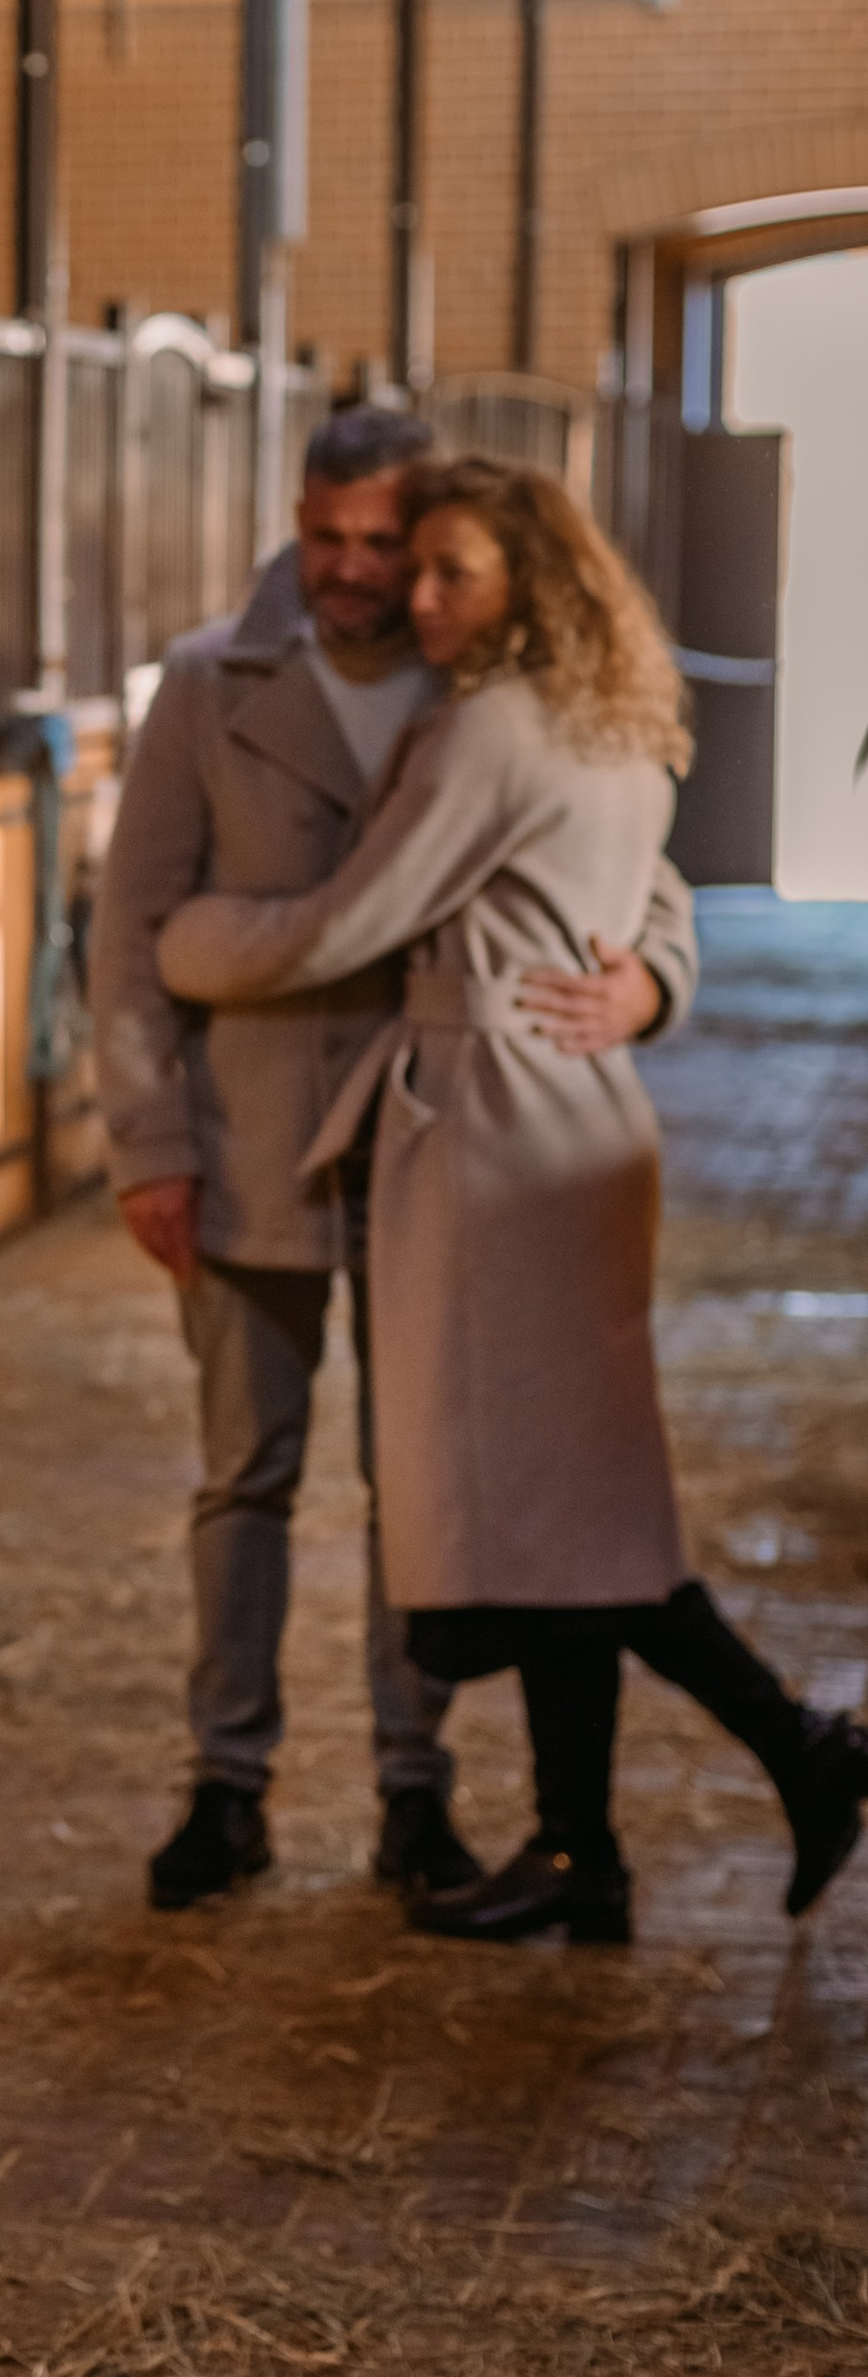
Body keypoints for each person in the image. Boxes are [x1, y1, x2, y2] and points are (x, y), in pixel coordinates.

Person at [154, 455, 868, 1941]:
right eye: (409, 568)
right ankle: (582, 1848)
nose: (418, 596)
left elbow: (352, 919)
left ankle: (804, 1746)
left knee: (564, 1521)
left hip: (489, 1129)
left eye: (451, 571)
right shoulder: (612, 712)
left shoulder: (486, 724)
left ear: (527, 581)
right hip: (573, 1121)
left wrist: (192, 943)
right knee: (566, 1513)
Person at [91, 407, 703, 1913]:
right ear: (296, 521)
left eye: (387, 541)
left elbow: (632, 868)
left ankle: (410, 1790)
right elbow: (125, 931)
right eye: (331, 537)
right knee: (247, 1473)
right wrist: (148, 1142)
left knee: (417, 1477)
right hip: (253, 1144)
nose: (361, 571)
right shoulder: (207, 682)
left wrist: (654, 981)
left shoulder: (485, 665)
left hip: (444, 1141)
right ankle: (227, 1783)